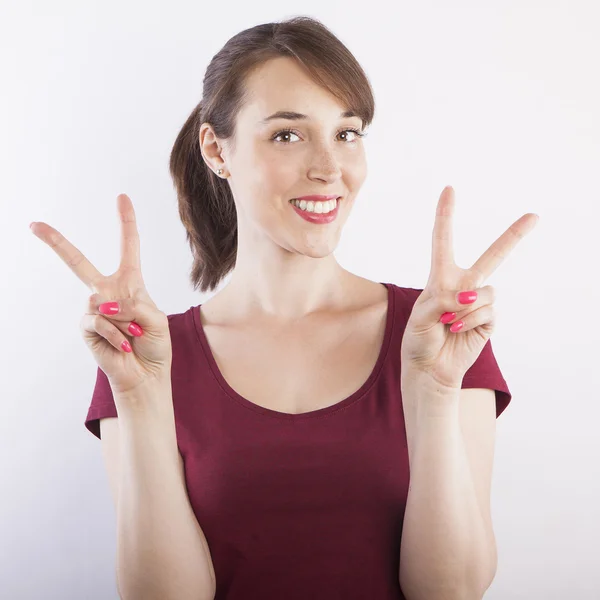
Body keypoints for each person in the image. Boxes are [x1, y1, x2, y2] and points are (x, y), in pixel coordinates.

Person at [35, 16, 518, 600]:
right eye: (288, 135)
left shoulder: (440, 335)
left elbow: (452, 592)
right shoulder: (143, 356)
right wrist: (139, 399)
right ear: (217, 149)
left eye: (347, 133)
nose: (329, 168)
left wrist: (434, 394)